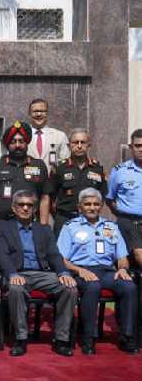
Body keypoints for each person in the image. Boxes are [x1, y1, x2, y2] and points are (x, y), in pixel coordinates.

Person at [0, 190, 76, 357]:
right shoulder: (3, 228)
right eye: (21, 205)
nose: (25, 208)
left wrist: (63, 272)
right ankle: (21, 339)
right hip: (18, 273)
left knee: (69, 288)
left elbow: (54, 254)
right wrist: (12, 274)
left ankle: (61, 339)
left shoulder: (44, 229)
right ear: (14, 208)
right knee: (15, 289)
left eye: (29, 205)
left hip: (43, 273)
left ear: (35, 208)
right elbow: (1, 254)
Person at [58, 188, 137, 355]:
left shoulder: (112, 227)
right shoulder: (70, 227)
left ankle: (127, 336)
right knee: (92, 286)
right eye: (87, 204)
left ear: (101, 206)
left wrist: (123, 269)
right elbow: (61, 259)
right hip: (81, 271)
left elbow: (122, 256)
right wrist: (80, 271)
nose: (92, 207)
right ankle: (89, 337)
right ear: (80, 207)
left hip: (107, 271)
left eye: (96, 204)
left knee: (129, 286)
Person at [0, 121, 50, 238]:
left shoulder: (38, 165)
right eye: (13, 142)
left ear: (27, 143)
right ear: (7, 145)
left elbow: (44, 198)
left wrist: (42, 227)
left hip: (29, 226)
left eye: (21, 141)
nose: (17, 145)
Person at [48, 128, 107, 236]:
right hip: (65, 220)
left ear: (89, 145)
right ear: (68, 145)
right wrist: (58, 216)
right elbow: (51, 197)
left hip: (90, 221)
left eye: (83, 142)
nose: (79, 146)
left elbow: (102, 195)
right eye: (75, 142)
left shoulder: (97, 168)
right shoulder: (59, 168)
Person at [106, 128, 142, 271]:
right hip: (128, 221)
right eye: (138, 146)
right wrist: (122, 215)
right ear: (130, 147)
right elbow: (110, 199)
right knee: (139, 254)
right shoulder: (119, 171)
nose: (141, 149)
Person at [27, 98, 69, 171]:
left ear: (47, 113)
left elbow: (66, 162)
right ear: (29, 113)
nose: (39, 114)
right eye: (35, 111)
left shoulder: (60, 136)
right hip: (27, 180)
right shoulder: (22, 136)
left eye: (42, 111)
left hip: (52, 180)